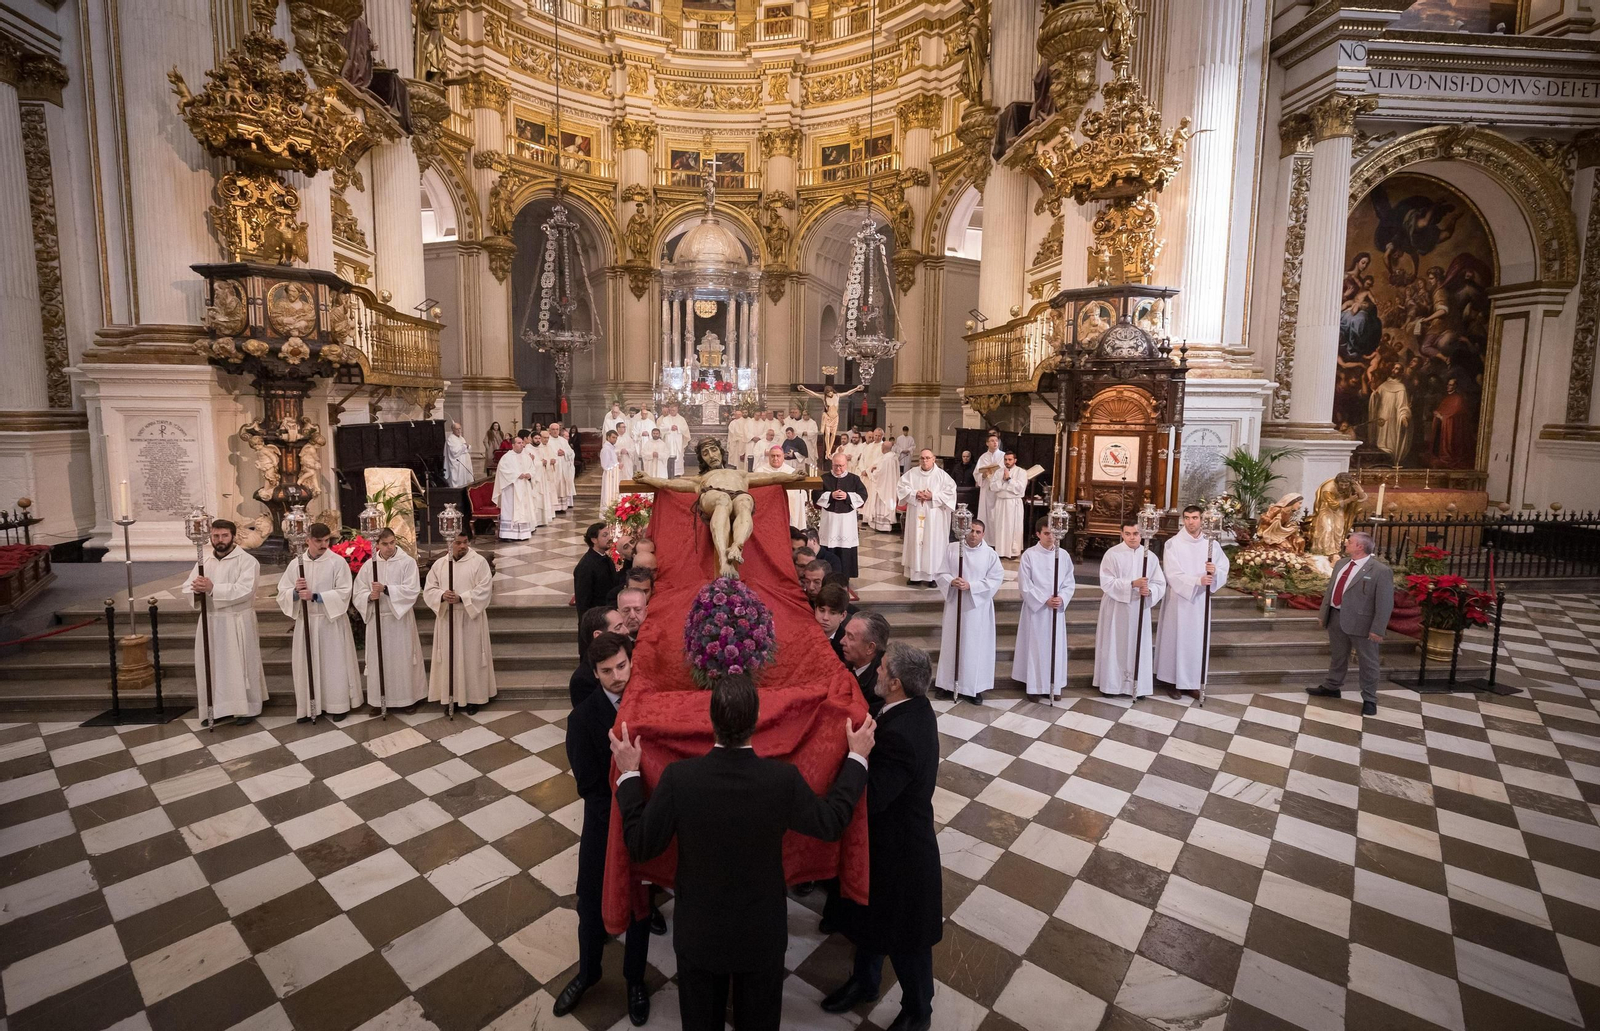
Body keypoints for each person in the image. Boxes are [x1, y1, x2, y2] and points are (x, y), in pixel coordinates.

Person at [610, 676, 876, 1031]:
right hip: (760, 933)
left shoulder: (679, 779)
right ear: (756, 722)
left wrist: (629, 774)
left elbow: (641, 844)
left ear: (711, 721)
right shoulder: (781, 779)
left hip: (700, 933)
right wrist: (856, 757)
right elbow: (830, 823)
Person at [821, 644, 942, 1031]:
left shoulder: (902, 735)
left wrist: (855, 758)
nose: (875, 672)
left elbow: (871, 799)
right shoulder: (909, 710)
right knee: (871, 920)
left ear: (895, 683)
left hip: (903, 853)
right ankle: (865, 981)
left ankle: (918, 1011)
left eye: (883, 669)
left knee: (908, 940)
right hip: (883, 847)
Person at [555, 633, 653, 1026]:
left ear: (631, 661)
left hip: (643, 823)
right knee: (590, 903)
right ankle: (588, 972)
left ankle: (635, 980)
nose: (617, 676)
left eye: (622, 666)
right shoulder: (582, 719)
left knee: (641, 906)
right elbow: (588, 786)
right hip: (603, 826)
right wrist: (619, 812)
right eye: (607, 671)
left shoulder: (649, 708)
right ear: (594, 674)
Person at [181, 518, 266, 726]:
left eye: (224, 535)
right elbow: (187, 586)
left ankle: (247, 708)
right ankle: (219, 707)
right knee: (214, 666)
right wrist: (196, 590)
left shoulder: (247, 561)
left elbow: (245, 591)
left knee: (242, 664)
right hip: (211, 621)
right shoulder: (205, 562)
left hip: (237, 621)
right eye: (216, 536)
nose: (220, 540)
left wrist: (212, 589)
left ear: (233, 536)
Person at [277, 522, 361, 722]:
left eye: (326, 541)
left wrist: (315, 596)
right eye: (318, 541)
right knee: (307, 666)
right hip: (306, 621)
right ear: (307, 541)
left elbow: (344, 592)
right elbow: (282, 593)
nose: (324, 545)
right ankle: (309, 706)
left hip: (330, 622)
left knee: (334, 665)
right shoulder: (296, 564)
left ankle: (337, 704)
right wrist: (295, 593)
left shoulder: (337, 562)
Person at [1309, 531, 1393, 716]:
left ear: (1360, 547)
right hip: (1336, 617)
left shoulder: (1380, 571)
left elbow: (1385, 603)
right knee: (1338, 656)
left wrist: (1378, 629)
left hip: (1362, 623)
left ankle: (1370, 699)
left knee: (1368, 662)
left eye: (1350, 541)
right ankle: (1332, 687)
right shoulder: (1341, 564)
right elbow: (1331, 590)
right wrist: (1324, 613)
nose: (1346, 543)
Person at [1154, 505, 1232, 700]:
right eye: (1187, 518)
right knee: (1176, 639)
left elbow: (1223, 566)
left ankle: (1191, 683)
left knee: (1196, 641)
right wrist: (1197, 581)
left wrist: (1215, 572)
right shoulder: (1173, 544)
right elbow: (1172, 574)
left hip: (1199, 602)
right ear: (1183, 519)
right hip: (1179, 601)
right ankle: (1171, 682)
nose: (1191, 522)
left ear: (1201, 520)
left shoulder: (1210, 543)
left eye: (1195, 518)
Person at [353, 528, 428, 712]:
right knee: (380, 661)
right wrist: (369, 597)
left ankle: (408, 699)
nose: (389, 547)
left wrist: (387, 589)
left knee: (402, 660)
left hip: (399, 619)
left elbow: (412, 590)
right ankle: (379, 701)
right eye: (385, 544)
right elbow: (357, 592)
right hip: (377, 618)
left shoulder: (407, 562)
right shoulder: (370, 565)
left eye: (392, 542)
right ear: (376, 544)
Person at [423, 531, 497, 715]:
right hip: (447, 617)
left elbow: (485, 589)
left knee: (471, 658)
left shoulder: (478, 562)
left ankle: (474, 698)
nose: (463, 546)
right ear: (450, 543)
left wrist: (462, 598)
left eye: (465, 542)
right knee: (450, 658)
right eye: (458, 543)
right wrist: (442, 595)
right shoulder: (440, 565)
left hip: (470, 618)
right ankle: (451, 697)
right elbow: (429, 589)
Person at [1095, 521, 1167, 700]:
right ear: (1122, 534)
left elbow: (1160, 583)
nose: (1132, 537)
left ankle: (1137, 685)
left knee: (1137, 644)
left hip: (1138, 607)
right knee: (1114, 644)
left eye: (1135, 533)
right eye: (1128, 534)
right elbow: (1106, 581)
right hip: (1116, 608)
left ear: (1141, 534)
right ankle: (1111, 685)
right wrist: (1131, 584)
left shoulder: (1149, 556)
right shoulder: (1112, 554)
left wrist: (1150, 591)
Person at [934, 519, 1003, 700]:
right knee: (952, 643)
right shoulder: (952, 548)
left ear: (983, 534)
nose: (973, 535)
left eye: (978, 532)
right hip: (955, 603)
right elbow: (940, 572)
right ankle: (948, 685)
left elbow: (995, 579)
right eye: (971, 530)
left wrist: (971, 586)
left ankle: (973, 687)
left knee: (974, 647)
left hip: (976, 609)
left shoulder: (990, 555)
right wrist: (951, 581)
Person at [1012, 517, 1075, 699]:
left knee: (1054, 647)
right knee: (1036, 647)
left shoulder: (1063, 555)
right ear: (1038, 534)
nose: (1051, 537)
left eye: (1054, 533)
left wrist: (1061, 598)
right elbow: (1025, 584)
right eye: (1046, 533)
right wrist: (1043, 599)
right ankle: (1034, 687)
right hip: (1036, 610)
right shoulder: (1029, 555)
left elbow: (1069, 581)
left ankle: (1053, 686)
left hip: (1056, 609)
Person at [898, 449, 956, 586]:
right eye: (922, 458)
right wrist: (915, 494)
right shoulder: (912, 474)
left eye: (928, 458)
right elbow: (901, 487)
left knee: (933, 544)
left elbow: (950, 492)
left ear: (934, 459)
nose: (925, 461)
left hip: (934, 517)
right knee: (915, 542)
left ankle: (933, 577)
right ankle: (914, 576)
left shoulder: (942, 476)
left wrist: (933, 496)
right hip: (916, 513)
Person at [814, 452, 866, 580]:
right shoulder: (824, 478)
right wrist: (830, 495)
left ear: (846, 464)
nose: (838, 469)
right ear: (831, 464)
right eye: (836, 466)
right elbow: (815, 496)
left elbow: (863, 496)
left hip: (847, 522)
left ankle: (844, 578)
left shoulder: (854, 479)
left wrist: (847, 496)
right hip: (829, 521)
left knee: (845, 550)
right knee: (829, 547)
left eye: (841, 466)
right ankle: (827, 576)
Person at [574, 522, 619, 652]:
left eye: (608, 534)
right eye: (604, 535)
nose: (609, 537)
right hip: (595, 625)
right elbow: (583, 603)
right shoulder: (585, 566)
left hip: (607, 618)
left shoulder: (606, 559)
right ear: (594, 540)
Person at [571, 606, 626, 708]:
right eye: (618, 627)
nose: (626, 631)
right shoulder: (582, 680)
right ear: (598, 635)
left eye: (621, 666)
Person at [492, 430, 541, 541]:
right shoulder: (506, 457)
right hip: (511, 488)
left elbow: (532, 468)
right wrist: (517, 475)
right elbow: (503, 471)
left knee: (524, 509)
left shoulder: (526, 456)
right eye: (518, 443)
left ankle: (523, 533)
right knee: (511, 510)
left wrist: (530, 474)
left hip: (524, 487)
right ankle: (509, 535)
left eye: (522, 443)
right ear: (513, 445)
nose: (521, 445)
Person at [841, 610, 889, 715]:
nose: (842, 641)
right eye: (845, 634)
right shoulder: (844, 658)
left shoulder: (880, 687)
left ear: (870, 648)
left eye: (850, 637)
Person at [990, 452, 1027, 558]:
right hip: (1001, 502)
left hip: (1014, 503)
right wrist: (1002, 480)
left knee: (1014, 528)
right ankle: (1000, 551)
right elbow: (992, 487)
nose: (1007, 462)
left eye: (1010, 459)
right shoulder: (998, 472)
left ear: (1015, 460)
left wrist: (1009, 479)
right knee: (1000, 527)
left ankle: (1013, 552)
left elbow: (1020, 488)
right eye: (1005, 459)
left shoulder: (1021, 472)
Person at [765, 445, 807, 530]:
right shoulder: (760, 471)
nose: (775, 458)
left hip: (786, 512)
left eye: (778, 456)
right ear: (768, 457)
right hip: (767, 512)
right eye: (773, 456)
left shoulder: (791, 472)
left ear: (783, 457)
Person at [863, 439, 900, 533]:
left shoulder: (886, 459)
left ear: (883, 448)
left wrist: (871, 471)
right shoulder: (893, 457)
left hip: (883, 486)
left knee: (881, 504)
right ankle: (884, 525)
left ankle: (882, 526)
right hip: (890, 485)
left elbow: (879, 473)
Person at [973, 434, 1005, 527]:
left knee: (996, 515)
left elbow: (1006, 471)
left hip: (998, 489)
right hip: (986, 489)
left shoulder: (1003, 456)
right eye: (992, 441)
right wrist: (983, 475)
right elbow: (976, 473)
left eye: (996, 440)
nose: (995, 442)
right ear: (987, 443)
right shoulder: (983, 457)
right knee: (985, 514)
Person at [814, 583, 852, 660]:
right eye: (822, 611)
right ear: (815, 609)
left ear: (843, 616)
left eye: (832, 613)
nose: (825, 618)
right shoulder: (804, 636)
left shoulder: (847, 645)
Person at [660, 403, 689, 476]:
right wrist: (670, 428)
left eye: (674, 410)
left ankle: (678, 472)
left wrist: (678, 428)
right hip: (669, 440)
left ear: (677, 410)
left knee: (678, 456)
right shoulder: (665, 419)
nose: (672, 412)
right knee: (669, 453)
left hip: (678, 440)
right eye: (671, 410)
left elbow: (685, 429)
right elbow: (661, 429)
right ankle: (668, 471)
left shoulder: (681, 419)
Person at [444, 420, 474, 487]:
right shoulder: (451, 439)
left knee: (466, 480)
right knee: (459, 481)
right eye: (457, 429)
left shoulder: (461, 438)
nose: (459, 430)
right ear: (453, 429)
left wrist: (467, 446)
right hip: (458, 464)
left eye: (460, 428)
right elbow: (454, 452)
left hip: (464, 463)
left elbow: (467, 447)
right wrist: (464, 446)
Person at [600, 430, 622, 512]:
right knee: (608, 495)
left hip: (613, 476)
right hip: (609, 476)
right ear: (608, 437)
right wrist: (617, 465)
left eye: (616, 438)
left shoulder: (611, 449)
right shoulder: (606, 449)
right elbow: (605, 465)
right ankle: (607, 514)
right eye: (613, 437)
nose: (615, 439)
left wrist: (617, 463)